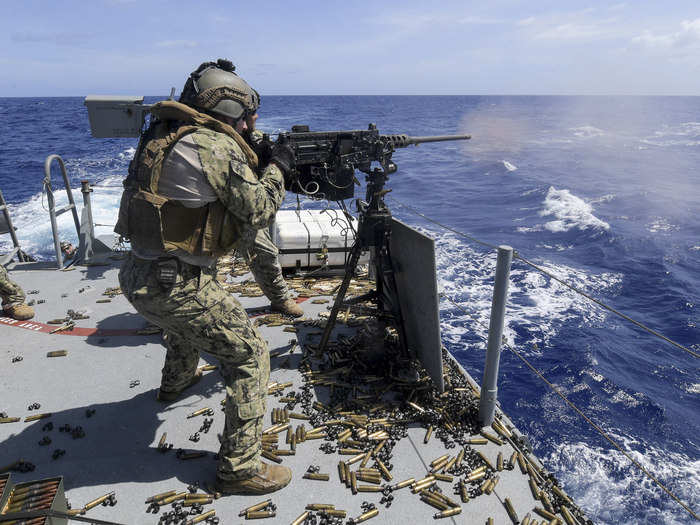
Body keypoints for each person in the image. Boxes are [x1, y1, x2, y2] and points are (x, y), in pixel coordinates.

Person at [116, 59, 294, 495]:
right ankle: (240, 468)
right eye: (249, 115)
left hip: (140, 273)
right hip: (174, 282)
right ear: (233, 111)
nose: (253, 123)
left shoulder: (162, 132)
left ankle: (176, 382)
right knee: (249, 358)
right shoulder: (214, 146)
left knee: (190, 323)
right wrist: (280, 168)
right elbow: (257, 210)